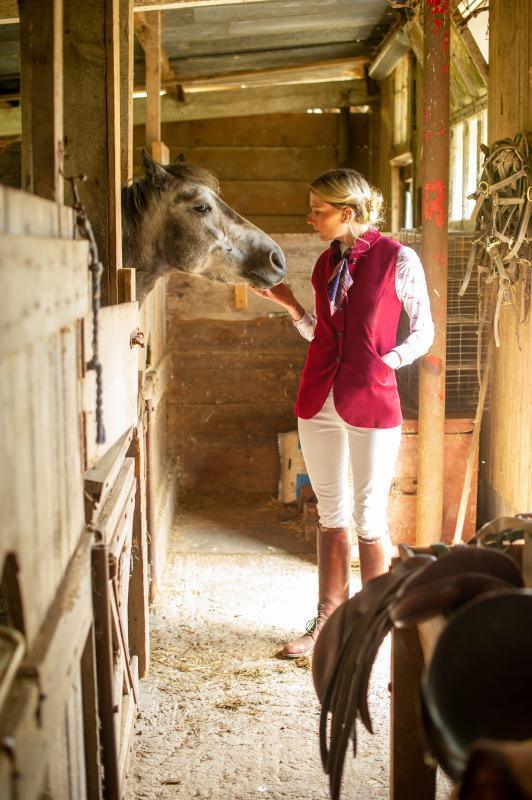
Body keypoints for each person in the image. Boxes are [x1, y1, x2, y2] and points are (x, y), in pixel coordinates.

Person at [252, 168, 434, 658]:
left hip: (372, 400)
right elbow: (323, 335)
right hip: (318, 401)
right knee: (330, 512)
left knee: (369, 513)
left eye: (319, 210)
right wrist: (291, 306)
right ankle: (329, 620)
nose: (310, 218)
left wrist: (387, 361)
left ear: (346, 213)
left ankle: (375, 624)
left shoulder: (399, 258)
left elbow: (424, 331)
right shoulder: (324, 264)